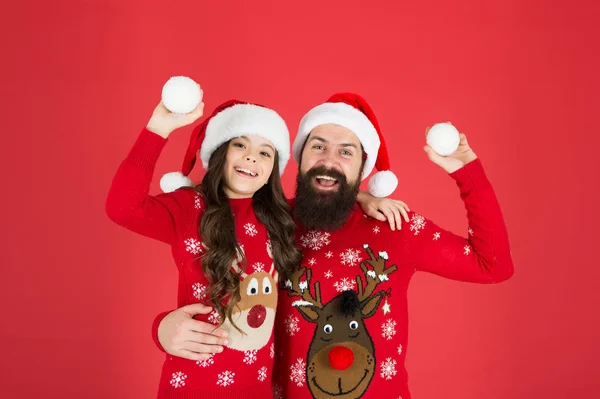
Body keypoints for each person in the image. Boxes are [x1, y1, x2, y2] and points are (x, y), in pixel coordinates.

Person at [152, 92, 514, 399]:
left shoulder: (396, 227)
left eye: (346, 152)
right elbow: (214, 293)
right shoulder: (266, 224)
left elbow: (493, 265)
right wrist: (162, 329)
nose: (328, 161)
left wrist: (466, 172)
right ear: (299, 156)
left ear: (363, 167)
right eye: (319, 147)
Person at [106, 87, 410, 398]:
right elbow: (122, 208)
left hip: (258, 390)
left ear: (272, 171)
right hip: (193, 385)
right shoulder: (188, 208)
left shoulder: (278, 218)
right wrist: (158, 128)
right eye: (240, 144)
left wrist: (361, 195)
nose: (252, 156)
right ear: (219, 152)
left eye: (265, 152)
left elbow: (326, 199)